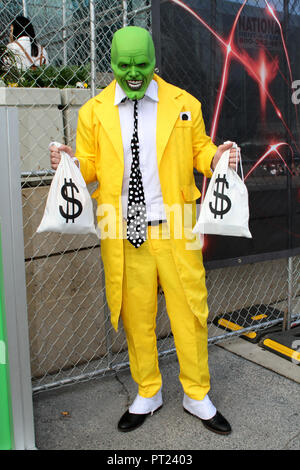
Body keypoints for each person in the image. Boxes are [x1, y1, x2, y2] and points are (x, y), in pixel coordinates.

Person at [50, 26, 240, 435]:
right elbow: (89, 167)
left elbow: (200, 151)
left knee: (190, 310)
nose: (133, 72)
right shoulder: (93, 112)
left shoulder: (184, 104)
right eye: (124, 64)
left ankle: (197, 394)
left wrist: (218, 157)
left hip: (176, 221)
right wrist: (67, 163)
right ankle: (147, 391)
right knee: (136, 314)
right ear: (112, 64)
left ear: (155, 60)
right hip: (126, 224)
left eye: (141, 63)